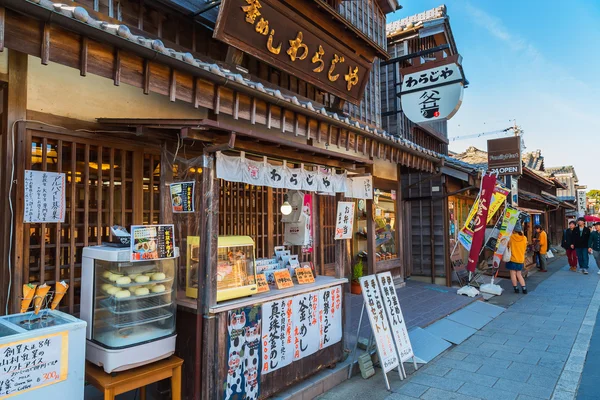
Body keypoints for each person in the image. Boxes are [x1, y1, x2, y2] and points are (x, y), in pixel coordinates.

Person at [507, 223, 527, 294]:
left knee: (513, 274)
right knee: (519, 274)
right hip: (521, 258)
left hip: (512, 258)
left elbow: (508, 246)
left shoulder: (511, 237)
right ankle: (524, 288)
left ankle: (516, 289)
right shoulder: (524, 238)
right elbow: (525, 248)